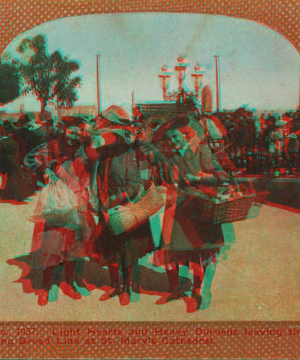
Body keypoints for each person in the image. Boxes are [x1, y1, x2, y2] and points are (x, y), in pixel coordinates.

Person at [153, 115, 232, 312]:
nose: (172, 141)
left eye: (175, 137)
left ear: (184, 135)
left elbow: (223, 175)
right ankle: (175, 290)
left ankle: (198, 291)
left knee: (199, 252)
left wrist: (201, 177)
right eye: (168, 138)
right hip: (177, 209)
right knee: (170, 250)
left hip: (200, 209)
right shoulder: (168, 155)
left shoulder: (201, 152)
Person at [29, 116, 97, 306]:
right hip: (58, 202)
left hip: (78, 201)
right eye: (71, 130)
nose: (74, 134)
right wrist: (46, 169)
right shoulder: (53, 146)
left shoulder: (84, 148)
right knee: (52, 245)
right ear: (64, 129)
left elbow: (93, 167)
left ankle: (69, 284)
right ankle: (46, 287)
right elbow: (30, 160)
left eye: (78, 131)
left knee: (73, 247)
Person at [96, 128, 155, 305]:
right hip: (106, 207)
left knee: (129, 250)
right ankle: (117, 286)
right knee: (112, 249)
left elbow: (135, 183)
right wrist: (100, 201)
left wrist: (117, 199)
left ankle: (129, 287)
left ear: (117, 138)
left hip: (125, 207)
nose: (105, 137)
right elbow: (98, 180)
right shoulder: (103, 155)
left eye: (109, 135)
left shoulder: (128, 154)